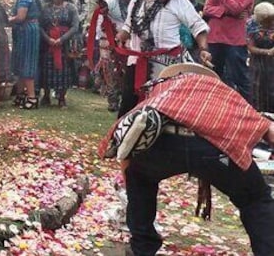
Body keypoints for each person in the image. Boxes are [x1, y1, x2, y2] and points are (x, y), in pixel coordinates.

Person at [99, 63, 274, 256]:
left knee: (139, 178)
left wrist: (132, 181)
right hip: (214, 151)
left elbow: (127, 144)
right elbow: (269, 131)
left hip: (164, 145)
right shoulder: (223, 93)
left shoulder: (163, 90)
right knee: (256, 200)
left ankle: (143, 248)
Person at [116, 0, 211, 116]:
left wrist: (203, 49)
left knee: (161, 110)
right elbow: (129, 26)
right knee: (128, 107)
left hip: (167, 66)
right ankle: (123, 139)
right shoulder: (135, 0)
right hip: (137, 63)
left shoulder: (176, 0)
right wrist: (120, 36)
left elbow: (198, 26)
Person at [203, 0, 256, 102]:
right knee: (213, 75)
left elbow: (238, 9)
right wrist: (226, 12)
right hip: (215, 37)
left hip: (235, 40)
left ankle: (248, 112)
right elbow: (207, 9)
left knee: (240, 77)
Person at [39, 0, 79, 107]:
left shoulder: (71, 8)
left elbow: (75, 26)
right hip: (48, 44)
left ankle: (62, 97)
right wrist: (48, 39)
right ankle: (46, 95)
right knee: (47, 69)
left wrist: (62, 39)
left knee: (63, 70)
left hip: (64, 44)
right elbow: (40, 26)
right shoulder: (46, 8)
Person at [5, 0, 41, 109]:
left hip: (27, 32)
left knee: (27, 62)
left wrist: (8, 20)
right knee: (20, 63)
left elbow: (21, 17)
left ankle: (31, 97)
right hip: (22, 32)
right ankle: (20, 94)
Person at [246, 1, 274, 112]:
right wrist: (267, 52)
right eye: (269, 20)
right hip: (258, 63)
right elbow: (251, 48)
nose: (272, 22)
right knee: (259, 88)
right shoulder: (251, 25)